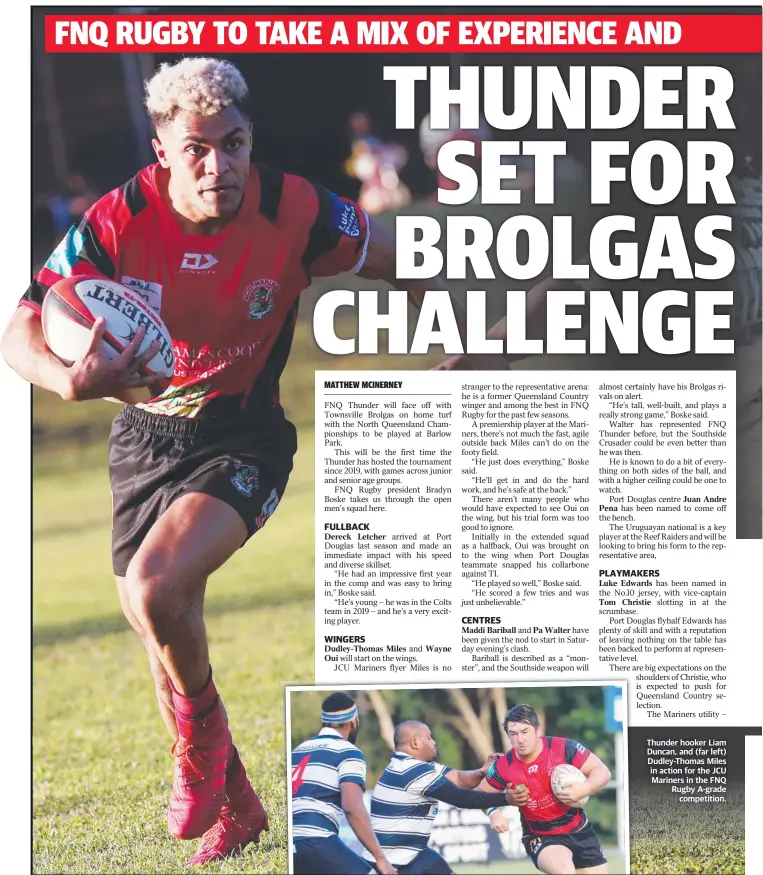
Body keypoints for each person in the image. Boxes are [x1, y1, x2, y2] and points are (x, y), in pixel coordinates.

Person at [1, 57, 500, 866]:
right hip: (145, 440)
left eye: (232, 144)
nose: (217, 165)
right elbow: (22, 325)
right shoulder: (118, 219)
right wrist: (66, 378)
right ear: (161, 148)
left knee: (158, 588)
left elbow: (400, 255)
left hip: (243, 433)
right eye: (196, 148)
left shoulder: (292, 207)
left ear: (249, 139)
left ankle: (196, 761)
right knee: (161, 629)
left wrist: (470, 336)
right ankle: (239, 806)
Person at [365, 720, 525, 875]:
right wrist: (506, 799)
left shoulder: (411, 765)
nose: (434, 742)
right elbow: (461, 798)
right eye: (428, 737)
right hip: (391, 863)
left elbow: (460, 779)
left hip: (415, 854)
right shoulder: (413, 771)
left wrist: (482, 772)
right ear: (415, 743)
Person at [479, 704, 612, 875]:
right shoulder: (504, 765)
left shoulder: (564, 748)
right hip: (541, 835)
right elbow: (480, 793)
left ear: (538, 730)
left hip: (580, 831)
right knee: (564, 870)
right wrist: (493, 813)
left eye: (525, 732)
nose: (520, 739)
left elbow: (602, 771)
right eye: (513, 734)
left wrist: (585, 788)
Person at [290, 692, 396, 875]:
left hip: (291, 845)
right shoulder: (349, 753)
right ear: (353, 721)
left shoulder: (298, 750)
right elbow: (352, 808)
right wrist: (381, 858)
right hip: (317, 840)